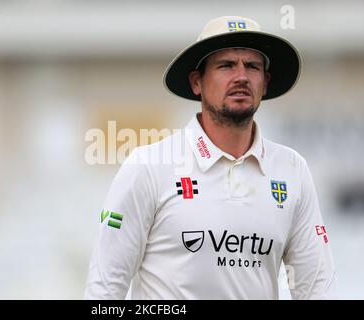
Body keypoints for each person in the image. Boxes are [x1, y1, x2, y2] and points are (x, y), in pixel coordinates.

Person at [84, 16, 337, 299]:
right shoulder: (149, 165)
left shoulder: (292, 169)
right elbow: (104, 291)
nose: (241, 76)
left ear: (264, 83)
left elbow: (317, 288)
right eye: (226, 65)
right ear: (196, 82)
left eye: (252, 66)